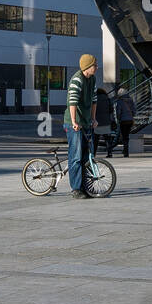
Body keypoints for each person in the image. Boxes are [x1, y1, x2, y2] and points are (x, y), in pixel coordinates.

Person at [63, 54, 97, 199]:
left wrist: (94, 119)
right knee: (76, 156)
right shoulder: (77, 79)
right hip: (74, 123)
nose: (96, 67)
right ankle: (76, 189)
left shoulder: (92, 79)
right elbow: (73, 102)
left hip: (86, 122)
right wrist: (74, 121)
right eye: (94, 65)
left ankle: (85, 187)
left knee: (87, 155)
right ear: (87, 67)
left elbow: (94, 100)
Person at [93, 87, 115, 158]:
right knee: (108, 139)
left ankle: (94, 153)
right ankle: (110, 153)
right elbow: (111, 109)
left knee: (96, 139)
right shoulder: (108, 99)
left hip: (97, 121)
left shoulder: (95, 99)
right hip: (106, 121)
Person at [115, 86, 135, 157]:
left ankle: (125, 151)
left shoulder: (119, 101)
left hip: (123, 121)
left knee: (124, 136)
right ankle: (126, 150)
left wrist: (118, 119)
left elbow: (118, 112)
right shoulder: (131, 100)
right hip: (130, 120)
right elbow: (134, 110)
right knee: (127, 135)